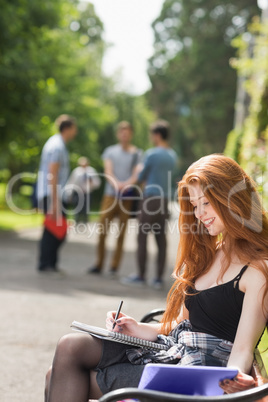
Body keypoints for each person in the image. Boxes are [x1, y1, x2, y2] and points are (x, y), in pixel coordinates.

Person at [45, 154, 268, 402]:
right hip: (171, 352)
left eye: (206, 203)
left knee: (56, 374)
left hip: (195, 374)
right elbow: (180, 324)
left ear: (232, 199)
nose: (199, 214)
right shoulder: (210, 253)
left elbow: (243, 348)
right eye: (194, 205)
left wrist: (234, 380)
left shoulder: (258, 270)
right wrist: (136, 328)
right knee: (70, 347)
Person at [122, 120, 177, 289]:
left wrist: (139, 170)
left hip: (150, 199)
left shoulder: (152, 154)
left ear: (157, 135)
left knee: (142, 236)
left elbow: (141, 176)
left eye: (152, 134)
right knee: (161, 239)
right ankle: (159, 278)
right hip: (164, 200)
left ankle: (141, 275)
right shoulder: (172, 155)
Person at [87, 121, 142, 277]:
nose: (124, 134)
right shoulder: (110, 151)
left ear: (131, 134)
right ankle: (99, 263)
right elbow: (108, 171)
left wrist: (126, 185)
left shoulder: (137, 153)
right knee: (102, 230)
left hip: (127, 198)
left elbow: (136, 174)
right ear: (118, 134)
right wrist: (117, 184)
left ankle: (114, 266)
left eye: (127, 132)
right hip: (110, 196)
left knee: (121, 233)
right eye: (122, 132)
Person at [37, 114, 77, 273]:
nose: (75, 132)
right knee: (53, 230)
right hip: (53, 194)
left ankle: (50, 264)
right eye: (74, 129)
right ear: (67, 128)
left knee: (57, 230)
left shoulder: (58, 144)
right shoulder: (57, 145)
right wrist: (55, 201)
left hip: (56, 194)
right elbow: (52, 173)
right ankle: (45, 265)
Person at [65, 156, 101, 224]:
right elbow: (71, 182)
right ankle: (77, 222)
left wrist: (92, 182)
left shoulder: (92, 171)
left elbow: (97, 183)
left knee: (86, 209)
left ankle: (85, 222)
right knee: (77, 209)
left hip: (87, 193)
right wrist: (69, 194)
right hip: (78, 193)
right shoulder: (76, 171)